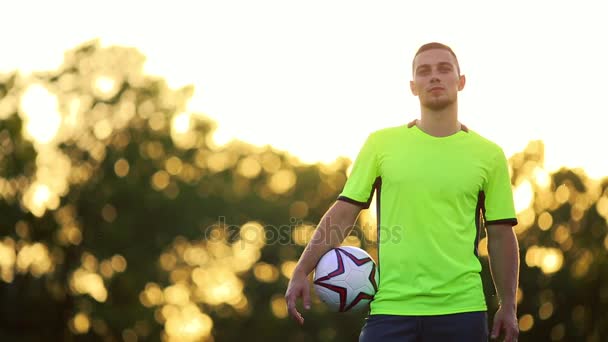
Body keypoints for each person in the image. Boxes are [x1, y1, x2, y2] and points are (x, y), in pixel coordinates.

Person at [285, 42, 520, 342]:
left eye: (444, 69)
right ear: (413, 86)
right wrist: (302, 270)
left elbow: (500, 236)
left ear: (461, 81)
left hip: (463, 312)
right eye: (424, 71)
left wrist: (509, 305)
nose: (434, 77)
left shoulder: (489, 155)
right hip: (391, 311)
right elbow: (344, 213)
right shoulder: (381, 144)